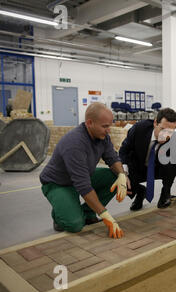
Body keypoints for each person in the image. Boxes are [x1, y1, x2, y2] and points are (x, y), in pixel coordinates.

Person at [40, 102, 128, 239]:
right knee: (75, 225)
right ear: (89, 123)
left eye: (110, 125)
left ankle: (87, 213)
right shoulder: (74, 144)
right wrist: (105, 215)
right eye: (105, 126)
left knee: (113, 176)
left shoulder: (103, 137)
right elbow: (83, 186)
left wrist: (122, 175)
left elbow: (112, 158)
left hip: (82, 176)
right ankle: (58, 216)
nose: (108, 130)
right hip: (58, 183)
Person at [119, 107, 176, 222]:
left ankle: (166, 191)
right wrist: (123, 173)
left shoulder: (174, 141)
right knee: (117, 173)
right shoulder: (139, 129)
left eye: (170, 132)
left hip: (159, 170)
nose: (165, 135)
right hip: (138, 166)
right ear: (155, 123)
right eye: (162, 129)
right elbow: (123, 150)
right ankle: (139, 191)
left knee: (175, 163)